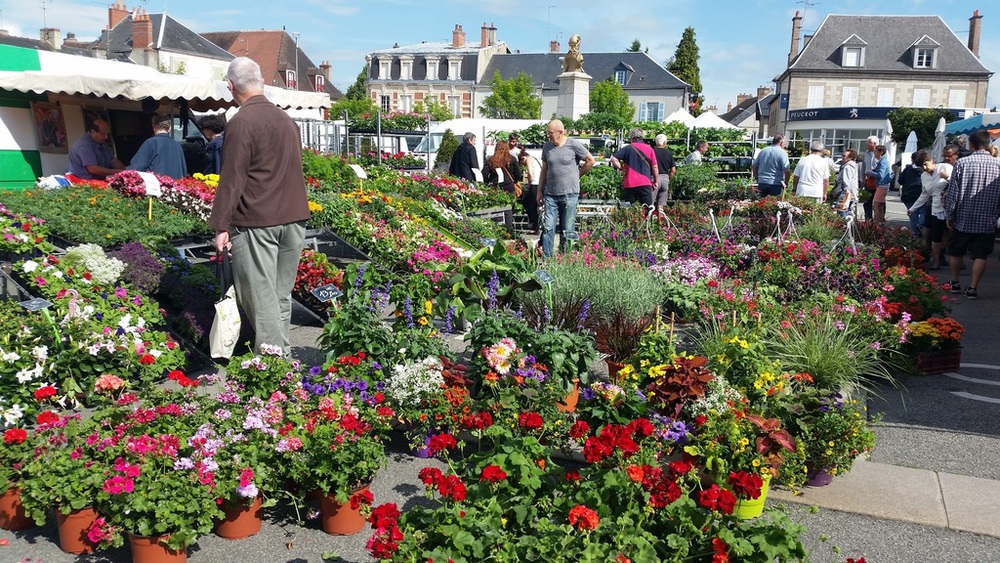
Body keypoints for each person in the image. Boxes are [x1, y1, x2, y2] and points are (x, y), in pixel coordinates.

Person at [208, 57, 310, 355]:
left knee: (260, 297)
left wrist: (220, 225)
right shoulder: (286, 120)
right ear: (261, 81)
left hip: (258, 220)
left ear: (230, 86)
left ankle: (272, 368)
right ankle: (285, 359)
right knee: (279, 296)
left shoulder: (241, 122)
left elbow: (232, 178)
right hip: (293, 218)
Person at [943, 130, 1000, 300]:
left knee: (956, 252)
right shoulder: (998, 165)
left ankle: (954, 283)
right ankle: (973, 288)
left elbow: (953, 192)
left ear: (971, 145)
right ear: (988, 144)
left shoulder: (962, 163)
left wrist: (949, 215)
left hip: (963, 217)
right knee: (981, 255)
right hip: (987, 219)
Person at [536, 119, 595, 257]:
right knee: (548, 227)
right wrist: (539, 191)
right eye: (547, 133)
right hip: (550, 194)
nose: (548, 136)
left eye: (550, 133)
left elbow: (590, 161)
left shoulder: (574, 145)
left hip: (570, 194)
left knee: (567, 228)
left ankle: (565, 258)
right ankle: (547, 258)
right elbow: (544, 169)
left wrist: (577, 175)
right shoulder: (547, 147)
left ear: (560, 132)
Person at [909, 150, 952, 271]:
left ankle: (948, 258)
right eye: (921, 166)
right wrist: (913, 209)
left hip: (950, 206)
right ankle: (936, 260)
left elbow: (959, 183)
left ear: (932, 160)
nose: (924, 168)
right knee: (935, 234)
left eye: (925, 164)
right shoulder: (924, 176)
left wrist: (948, 177)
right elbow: (925, 194)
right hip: (936, 207)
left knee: (948, 234)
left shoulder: (945, 167)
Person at [127, 113, 188, 179]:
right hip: (175, 187)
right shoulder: (177, 146)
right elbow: (183, 172)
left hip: (157, 187)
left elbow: (135, 169)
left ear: (153, 127)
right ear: (170, 128)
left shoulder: (151, 143)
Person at [610, 128, 658, 208]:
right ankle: (646, 220)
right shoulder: (649, 149)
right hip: (645, 182)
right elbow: (655, 167)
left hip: (629, 183)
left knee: (629, 209)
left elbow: (613, 159)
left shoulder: (628, 148)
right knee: (647, 208)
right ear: (642, 136)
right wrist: (655, 181)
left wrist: (621, 168)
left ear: (631, 137)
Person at [898, 152, 926, 237]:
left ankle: (916, 233)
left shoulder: (908, 169)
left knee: (913, 213)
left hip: (908, 195)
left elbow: (900, 181)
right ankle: (920, 226)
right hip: (921, 194)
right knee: (923, 211)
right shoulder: (924, 171)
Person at [652, 134, 677, 216]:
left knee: (650, 204)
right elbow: (673, 170)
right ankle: (661, 225)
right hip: (665, 178)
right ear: (665, 143)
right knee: (661, 206)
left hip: (654, 178)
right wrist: (668, 178)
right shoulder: (669, 153)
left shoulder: (652, 152)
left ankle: (648, 224)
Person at [868, 145, 892, 224]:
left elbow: (880, 175)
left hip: (882, 185)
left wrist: (870, 172)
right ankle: (881, 222)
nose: (874, 153)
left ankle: (877, 223)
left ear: (881, 152)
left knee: (876, 205)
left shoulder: (883, 162)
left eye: (876, 152)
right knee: (880, 205)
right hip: (883, 185)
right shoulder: (883, 161)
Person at [520, 151, 541, 234]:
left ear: (523, 158)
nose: (523, 164)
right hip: (540, 184)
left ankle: (534, 226)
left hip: (534, 184)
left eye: (522, 162)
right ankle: (534, 224)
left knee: (530, 204)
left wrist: (528, 184)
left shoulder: (529, 159)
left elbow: (530, 173)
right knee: (533, 205)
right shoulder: (537, 159)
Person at [832, 149, 858, 217]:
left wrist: (837, 191)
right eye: (842, 155)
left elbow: (846, 183)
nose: (842, 157)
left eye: (844, 156)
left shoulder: (847, 167)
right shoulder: (852, 166)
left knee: (842, 213)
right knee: (848, 211)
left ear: (850, 157)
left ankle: (843, 226)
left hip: (845, 193)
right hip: (850, 192)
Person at [858, 135, 879, 221]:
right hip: (868, 180)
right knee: (867, 201)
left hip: (878, 180)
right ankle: (868, 220)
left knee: (878, 203)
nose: (866, 144)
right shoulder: (866, 153)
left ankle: (879, 220)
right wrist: (862, 178)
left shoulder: (881, 153)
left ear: (874, 144)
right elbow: (863, 166)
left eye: (868, 142)